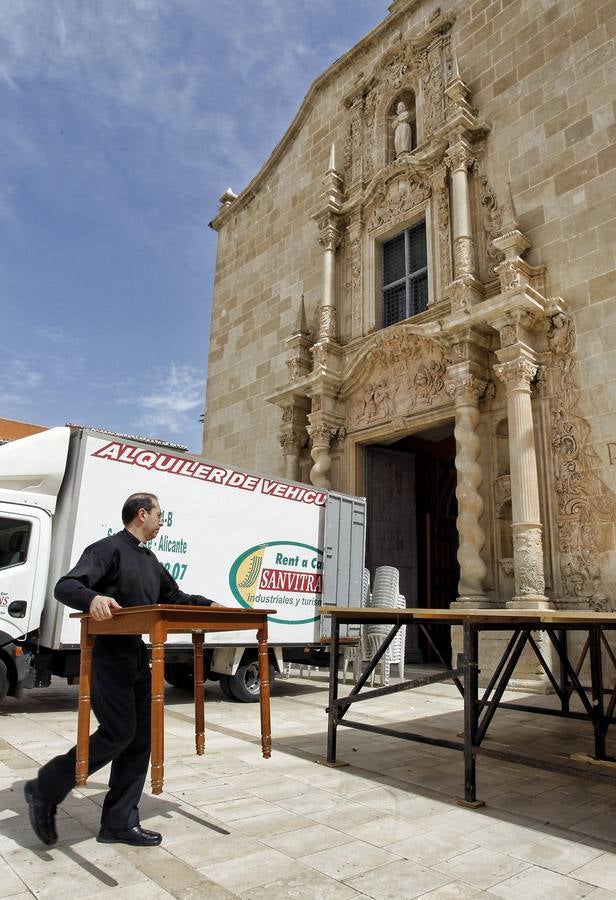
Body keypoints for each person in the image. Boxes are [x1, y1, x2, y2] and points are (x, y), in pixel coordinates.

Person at [24, 492, 217, 848]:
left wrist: (210, 606)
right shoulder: (107, 549)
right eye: (160, 514)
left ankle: (118, 822)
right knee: (118, 733)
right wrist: (93, 598)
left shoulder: (149, 559)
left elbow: (172, 598)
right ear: (142, 514)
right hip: (106, 655)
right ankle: (46, 786)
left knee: (140, 739)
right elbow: (66, 586)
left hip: (136, 654)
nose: (162, 521)